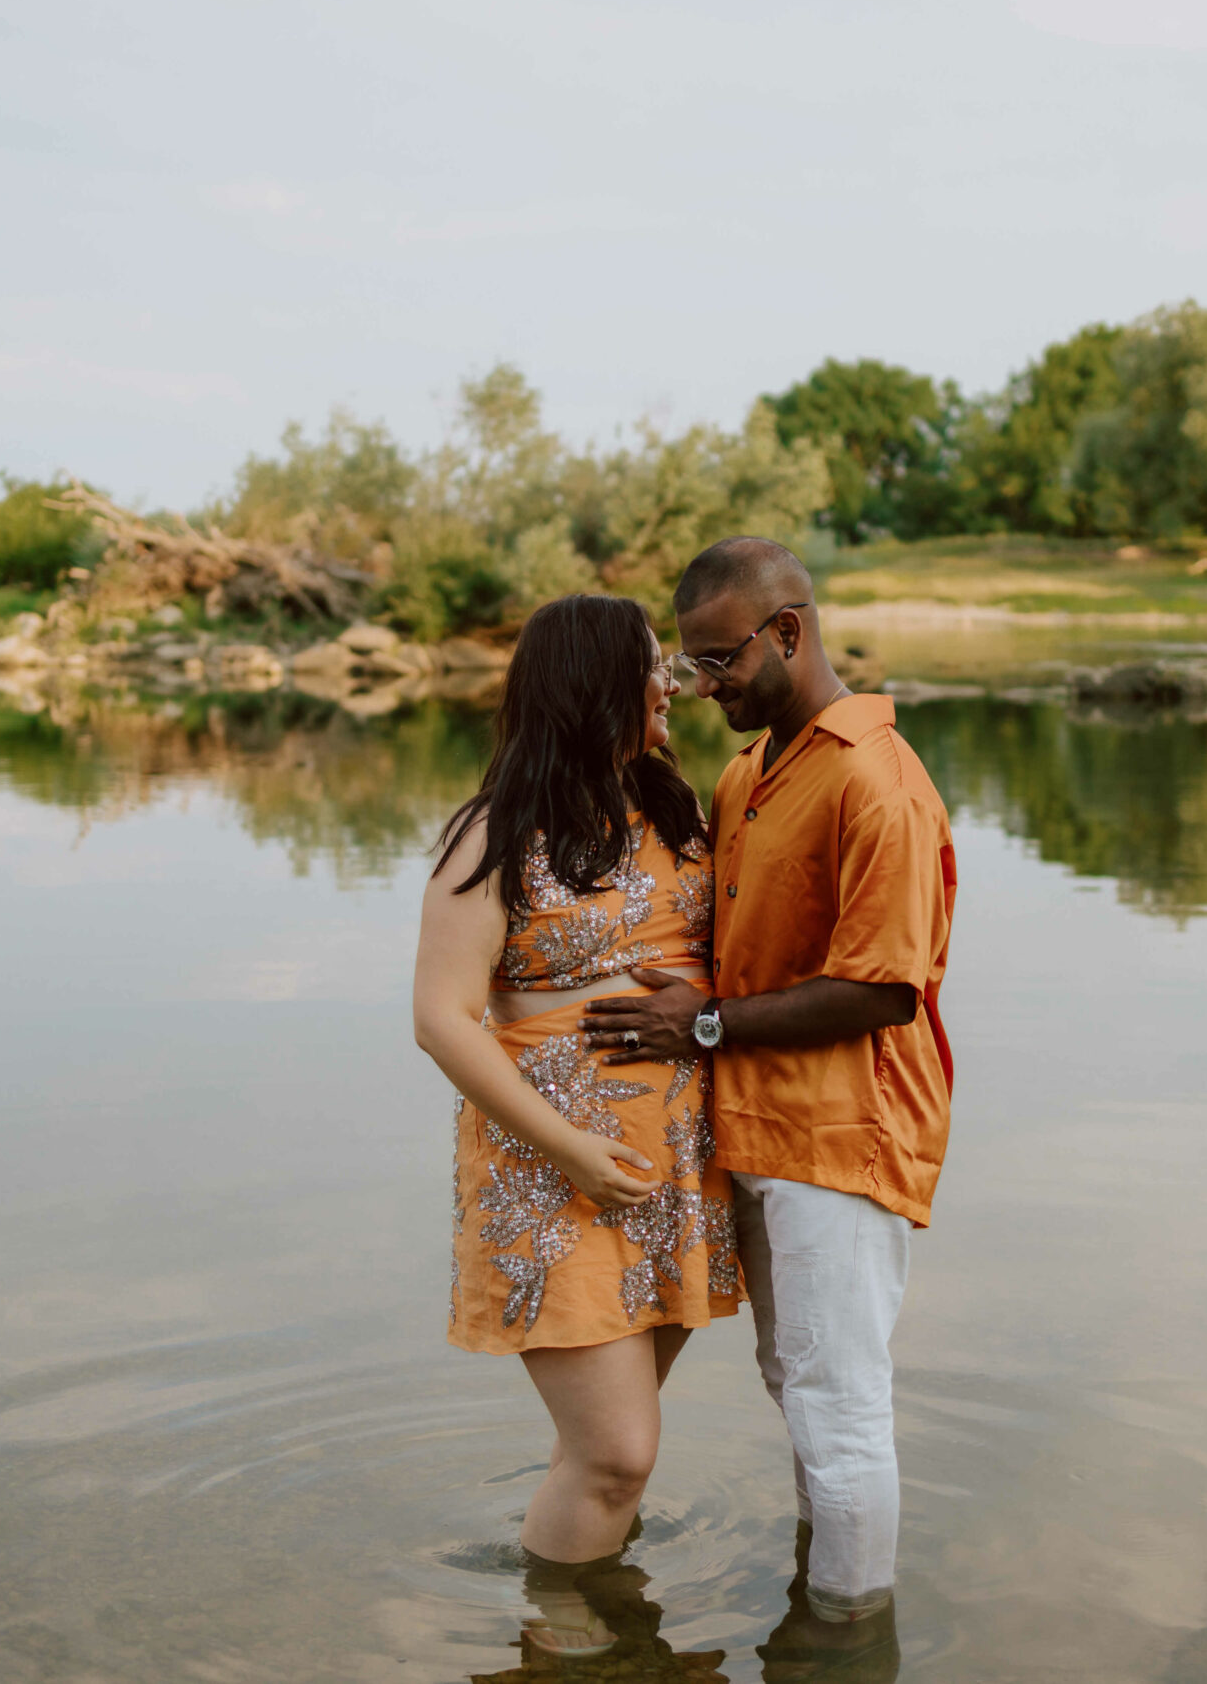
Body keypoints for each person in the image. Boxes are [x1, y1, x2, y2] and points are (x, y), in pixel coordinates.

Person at [582, 536, 954, 1652]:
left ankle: (845, 1639)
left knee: (839, 1408)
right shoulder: (753, 772)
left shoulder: (877, 782)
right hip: (755, 1124)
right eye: (689, 667)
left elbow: (880, 993)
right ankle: (822, 1600)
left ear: (787, 633)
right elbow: (754, 958)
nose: (704, 688)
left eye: (718, 661)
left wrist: (696, 1024)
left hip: (845, 1134)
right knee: (795, 1385)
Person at [412, 592, 742, 1660]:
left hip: (673, 1163)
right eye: (653, 668)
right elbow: (440, 1020)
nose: (672, 686)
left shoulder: (673, 807)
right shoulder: (491, 834)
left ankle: (608, 1628)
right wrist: (572, 1152)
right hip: (557, 1171)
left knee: (611, 1454)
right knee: (615, 1454)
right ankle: (560, 1648)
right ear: (596, 686)